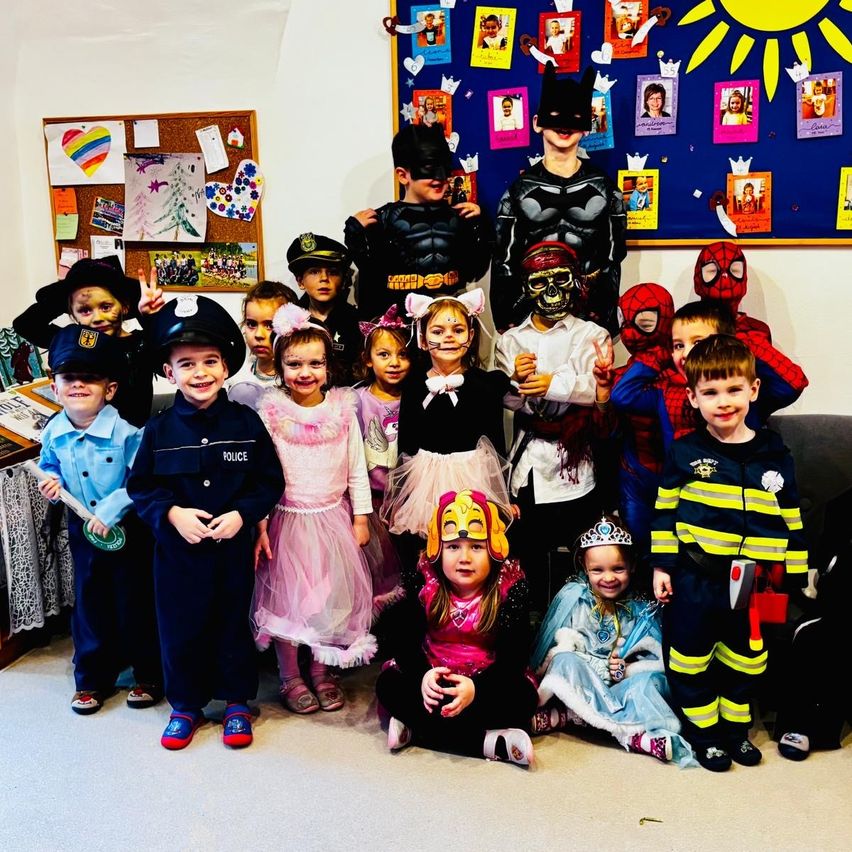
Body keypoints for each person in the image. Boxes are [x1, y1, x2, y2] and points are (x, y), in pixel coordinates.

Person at [128, 295, 284, 750]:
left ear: (226, 366)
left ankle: (237, 701)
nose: (200, 373)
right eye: (187, 363)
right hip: (177, 556)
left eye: (211, 361)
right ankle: (185, 706)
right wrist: (172, 513)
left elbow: (268, 482)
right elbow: (141, 488)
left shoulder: (246, 421)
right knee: (181, 627)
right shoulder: (158, 430)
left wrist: (243, 514)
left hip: (231, 551)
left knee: (231, 624)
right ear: (167, 372)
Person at [651, 335, 808, 771]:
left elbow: (791, 514)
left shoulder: (774, 452)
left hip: (753, 581)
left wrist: (792, 573)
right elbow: (665, 512)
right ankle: (705, 734)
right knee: (690, 656)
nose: (724, 401)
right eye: (711, 392)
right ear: (693, 397)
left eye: (734, 389)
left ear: (753, 390)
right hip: (696, 577)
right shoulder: (686, 452)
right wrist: (662, 566)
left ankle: (735, 730)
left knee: (746, 657)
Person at [253, 303, 376, 715]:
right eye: (294, 364)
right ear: (278, 366)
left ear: (328, 366)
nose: (305, 373)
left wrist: (361, 517)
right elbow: (262, 474)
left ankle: (323, 671)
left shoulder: (343, 410)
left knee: (329, 602)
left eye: (315, 363)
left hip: (333, 521)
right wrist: (262, 524)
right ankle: (290, 675)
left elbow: (357, 468)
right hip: (289, 522)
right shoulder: (272, 413)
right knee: (290, 602)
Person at [38, 325, 162, 716]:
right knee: (89, 602)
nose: (77, 385)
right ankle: (91, 679)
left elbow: (141, 482)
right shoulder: (53, 431)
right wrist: (51, 479)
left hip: (125, 530)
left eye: (89, 378)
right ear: (54, 386)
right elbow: (48, 464)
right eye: (68, 377)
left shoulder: (126, 433)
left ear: (109, 389)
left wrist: (110, 512)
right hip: (82, 530)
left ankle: (148, 674)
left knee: (133, 601)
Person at [376, 489, 538, 765]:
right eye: (453, 547)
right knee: (388, 685)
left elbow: (514, 656)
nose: (464, 557)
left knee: (523, 699)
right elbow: (403, 641)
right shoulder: (424, 583)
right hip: (434, 674)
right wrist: (423, 678)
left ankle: (417, 730)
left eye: (476, 547)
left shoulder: (509, 589)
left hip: (485, 680)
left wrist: (476, 690)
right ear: (438, 549)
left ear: (494, 550)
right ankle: (487, 743)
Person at [495, 242, 613, 613]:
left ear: (576, 282)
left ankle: (580, 621)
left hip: (576, 461)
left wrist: (555, 383)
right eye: (538, 282)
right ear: (526, 286)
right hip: (529, 461)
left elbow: (601, 391)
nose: (551, 291)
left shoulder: (593, 335)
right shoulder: (510, 339)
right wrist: (515, 382)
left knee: (580, 551)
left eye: (560, 280)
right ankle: (532, 626)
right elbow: (505, 401)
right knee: (528, 551)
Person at [530, 516, 694, 764]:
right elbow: (554, 649)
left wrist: (627, 669)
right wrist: (596, 667)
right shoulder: (575, 598)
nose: (608, 578)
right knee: (564, 661)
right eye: (597, 570)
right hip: (585, 680)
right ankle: (632, 735)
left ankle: (571, 717)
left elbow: (655, 656)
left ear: (633, 566)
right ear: (584, 567)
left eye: (618, 569)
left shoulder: (642, 606)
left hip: (621, 689)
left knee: (650, 682)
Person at [491, 65, 626, 334]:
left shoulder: (607, 190)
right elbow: (503, 261)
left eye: (575, 118)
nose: (564, 126)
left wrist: (604, 318)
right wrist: (509, 321)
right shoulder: (518, 192)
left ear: (587, 127)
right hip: (531, 318)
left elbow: (613, 258)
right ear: (537, 122)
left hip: (589, 318)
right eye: (555, 117)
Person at [381, 289, 512, 542]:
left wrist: (505, 496)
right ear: (422, 338)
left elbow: (497, 443)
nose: (449, 337)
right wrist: (400, 495)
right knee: (429, 542)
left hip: (473, 476)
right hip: (425, 479)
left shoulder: (486, 384)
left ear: (471, 335)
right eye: (438, 331)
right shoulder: (414, 385)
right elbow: (406, 443)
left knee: (471, 538)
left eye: (458, 330)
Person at [345, 123, 494, 321]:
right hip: (397, 324)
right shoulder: (380, 220)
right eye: (428, 169)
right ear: (402, 175)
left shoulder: (461, 217)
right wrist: (354, 232)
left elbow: (474, 270)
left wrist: (481, 226)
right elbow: (371, 274)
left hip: (449, 320)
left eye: (444, 169)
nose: (440, 178)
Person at [13, 256, 153, 426]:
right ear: (73, 314)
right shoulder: (71, 344)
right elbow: (25, 324)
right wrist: (66, 299)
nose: (97, 318)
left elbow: (166, 348)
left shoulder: (142, 345)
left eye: (106, 307)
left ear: (124, 306)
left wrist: (147, 316)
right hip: (84, 440)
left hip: (132, 443)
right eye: (85, 310)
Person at [354, 306, 411, 613]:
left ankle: (399, 626)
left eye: (402, 354)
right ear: (367, 358)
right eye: (384, 354)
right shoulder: (357, 400)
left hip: (406, 501)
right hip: (370, 502)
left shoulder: (415, 399)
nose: (394, 363)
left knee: (405, 567)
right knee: (374, 566)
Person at [289, 233, 361, 384]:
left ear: (343, 280)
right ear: (300, 281)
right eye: (314, 271)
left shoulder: (356, 322)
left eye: (333, 272)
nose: (324, 278)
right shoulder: (287, 322)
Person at [228, 279, 293, 410]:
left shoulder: (296, 380)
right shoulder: (236, 375)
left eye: (270, 325)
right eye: (251, 324)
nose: (258, 334)